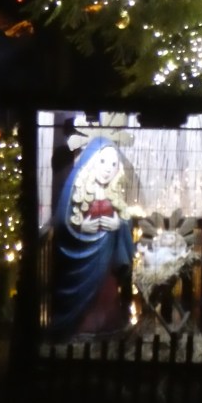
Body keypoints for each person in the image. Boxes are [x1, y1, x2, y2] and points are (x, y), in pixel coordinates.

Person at [52, 136, 135, 337]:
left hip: (107, 265)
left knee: (106, 295)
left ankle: (107, 327)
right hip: (82, 262)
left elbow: (125, 220)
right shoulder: (77, 191)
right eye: (103, 161)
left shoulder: (113, 193)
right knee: (85, 300)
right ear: (90, 162)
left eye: (114, 164)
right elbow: (63, 221)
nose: (108, 168)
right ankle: (82, 327)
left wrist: (118, 224)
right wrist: (80, 226)